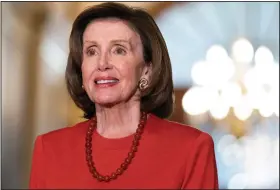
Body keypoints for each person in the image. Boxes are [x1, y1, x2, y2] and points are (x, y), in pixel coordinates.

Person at [29, 2, 218, 189]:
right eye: (92, 51)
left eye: (119, 50)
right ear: (81, 69)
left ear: (146, 71)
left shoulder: (192, 148)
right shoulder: (49, 149)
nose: (102, 63)